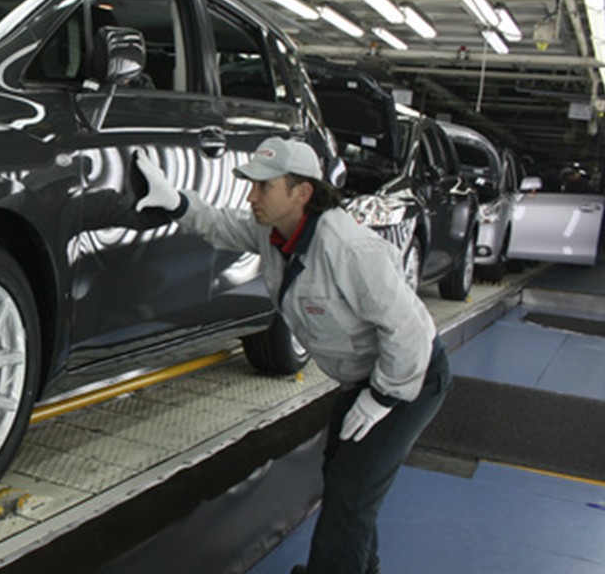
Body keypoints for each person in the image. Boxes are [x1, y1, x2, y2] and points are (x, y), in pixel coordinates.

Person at [134, 137, 452, 574]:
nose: (252, 195)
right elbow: (222, 225)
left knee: (352, 490)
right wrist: (174, 201)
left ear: (302, 192)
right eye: (252, 185)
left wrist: (383, 397)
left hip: (410, 379)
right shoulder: (276, 234)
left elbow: (410, 333)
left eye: (264, 187)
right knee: (342, 475)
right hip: (364, 378)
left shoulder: (351, 251)